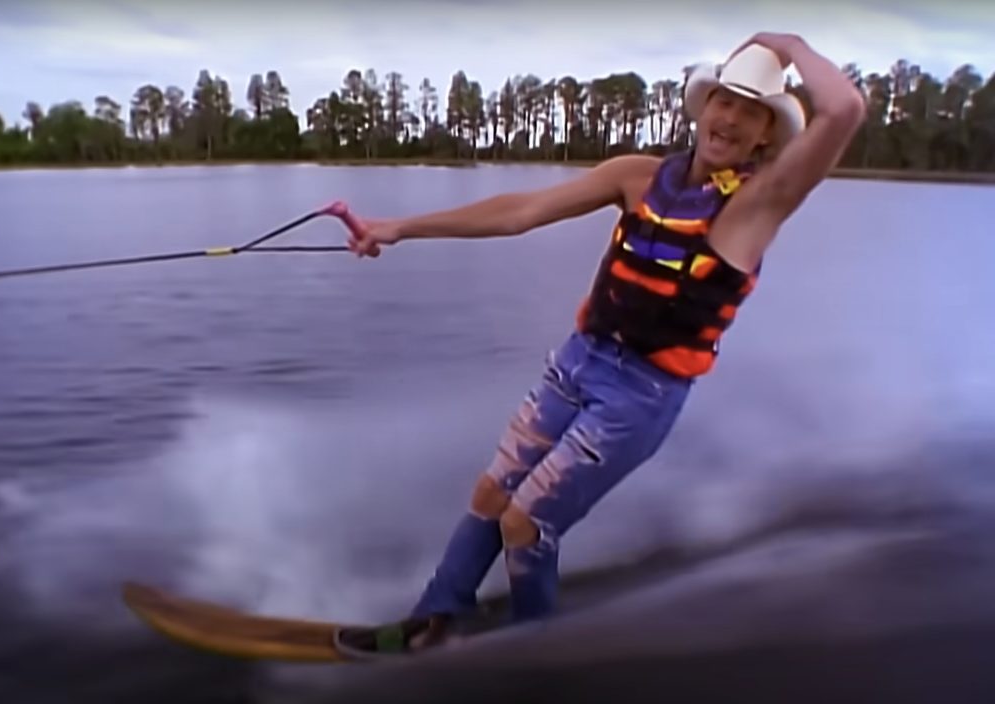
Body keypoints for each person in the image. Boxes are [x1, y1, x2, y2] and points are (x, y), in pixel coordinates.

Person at [334, 32, 866, 656]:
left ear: (764, 135)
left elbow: (846, 110)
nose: (730, 118)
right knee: (491, 495)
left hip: (641, 394)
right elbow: (521, 211)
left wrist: (790, 43)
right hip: (577, 361)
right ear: (703, 106)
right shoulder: (636, 176)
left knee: (524, 523)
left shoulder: (758, 204)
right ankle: (435, 619)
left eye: (751, 110)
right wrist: (401, 228)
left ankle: (532, 652)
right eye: (725, 100)